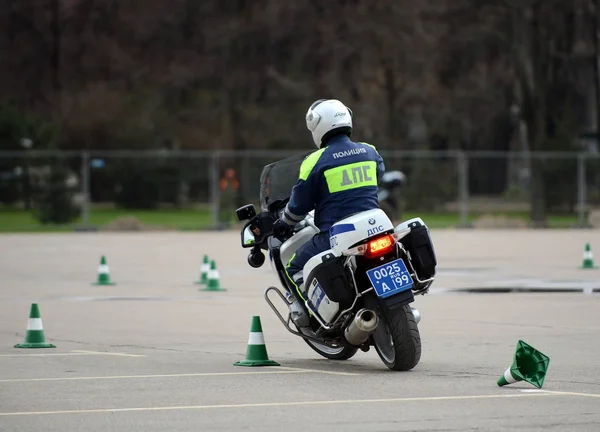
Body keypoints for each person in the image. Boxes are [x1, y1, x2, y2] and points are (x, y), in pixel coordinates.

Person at [272, 99, 385, 303]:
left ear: (317, 126)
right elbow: (379, 174)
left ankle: (315, 317)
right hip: (376, 225)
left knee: (293, 268)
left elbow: (299, 204)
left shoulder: (314, 161)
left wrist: (284, 223)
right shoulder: (370, 151)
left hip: (336, 233)